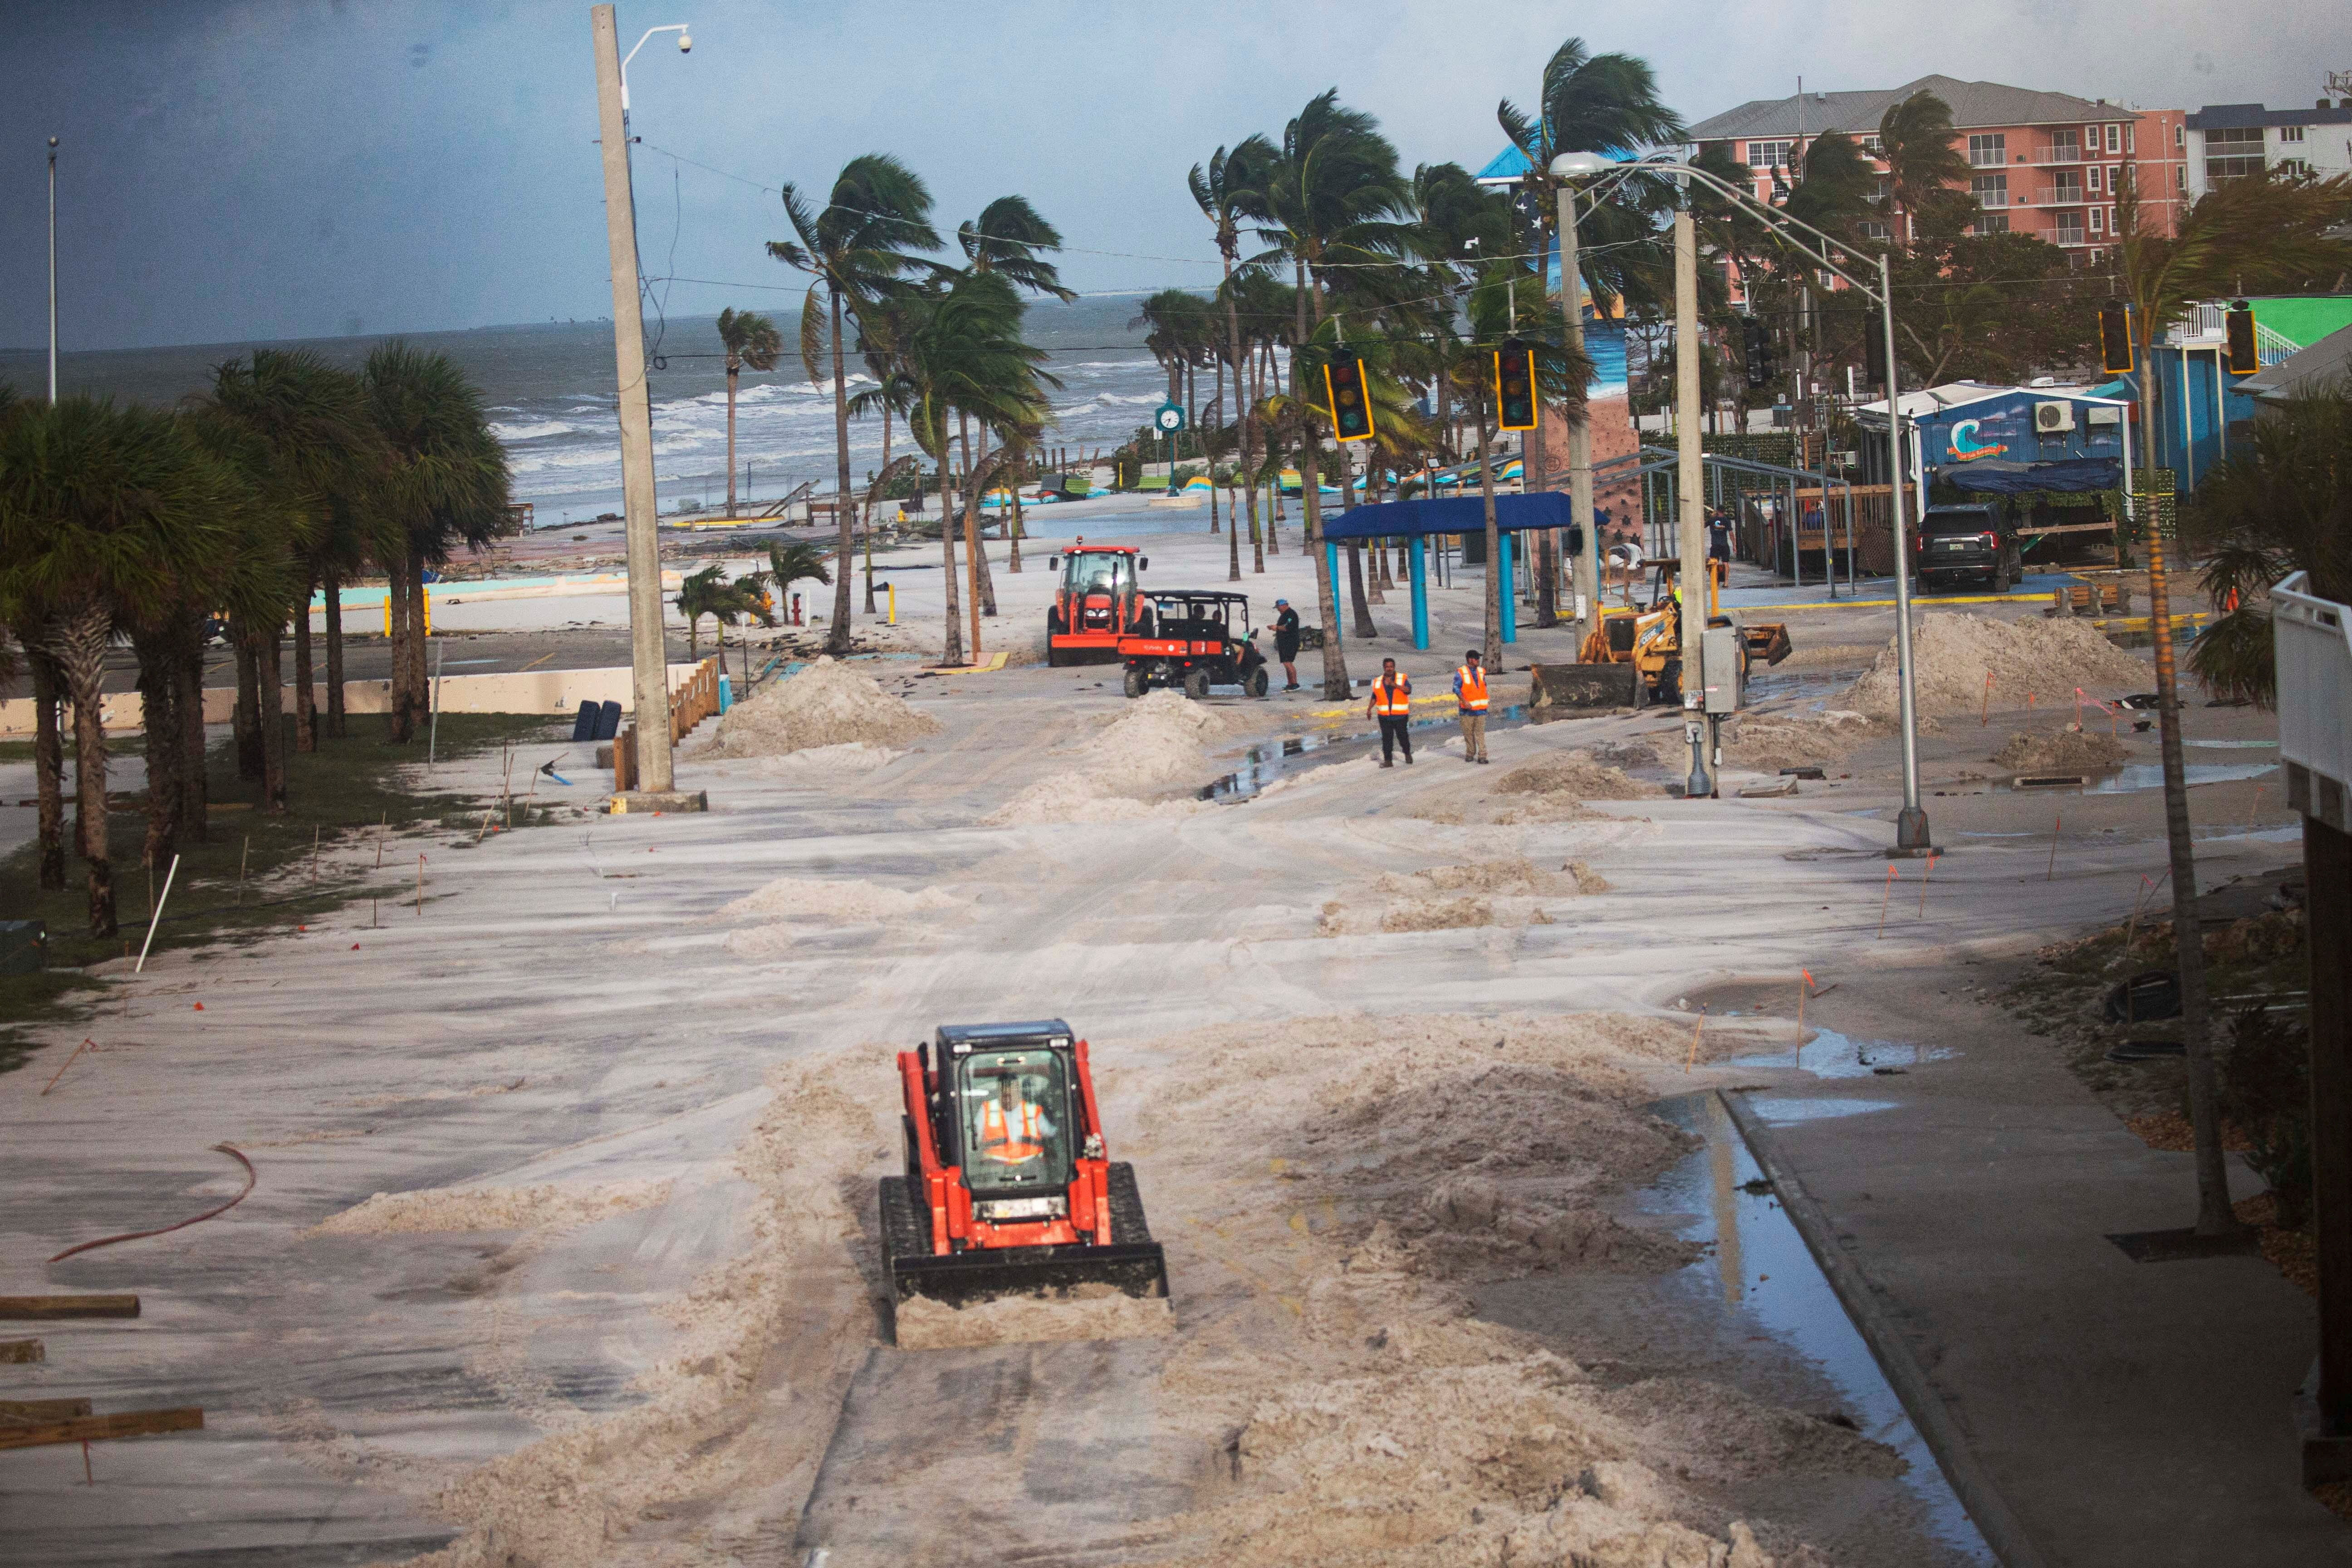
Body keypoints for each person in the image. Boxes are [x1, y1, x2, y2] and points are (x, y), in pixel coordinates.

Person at [975, 1074, 1054, 1167]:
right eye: (1005, 1094)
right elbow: (975, 1140)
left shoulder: (1032, 1110)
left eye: (1012, 1092)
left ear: (1018, 1091)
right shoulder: (986, 1109)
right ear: (999, 1092)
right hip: (996, 1168)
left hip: (1031, 1166)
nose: (1009, 1098)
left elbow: (1051, 1133)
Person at [1367, 657, 1413, 766]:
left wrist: (1395, 685)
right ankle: (1388, 761)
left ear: (1394, 667)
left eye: (1391, 667)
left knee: (1403, 737)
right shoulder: (1378, 681)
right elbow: (1375, 696)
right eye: (1387, 667)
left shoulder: (1402, 678)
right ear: (1384, 668)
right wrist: (1369, 709)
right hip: (1384, 716)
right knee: (1387, 738)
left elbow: (1409, 690)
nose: (1389, 669)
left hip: (1400, 716)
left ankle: (1407, 753)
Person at [1453, 648, 1490, 764]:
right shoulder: (1461, 672)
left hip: (1481, 710)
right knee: (1468, 734)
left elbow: (1484, 686)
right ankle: (1470, 753)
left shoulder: (1481, 672)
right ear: (1470, 660)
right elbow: (1456, 689)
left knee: (1480, 733)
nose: (1479, 661)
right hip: (1467, 710)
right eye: (1477, 659)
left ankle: (1482, 756)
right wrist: (1464, 702)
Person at [1272, 598, 1302, 690]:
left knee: (1288, 663)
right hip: (1284, 643)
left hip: (1290, 642)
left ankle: (1295, 684)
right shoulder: (1284, 614)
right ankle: (1290, 683)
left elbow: (1287, 628)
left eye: (1279, 607)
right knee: (1286, 663)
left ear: (1284, 605)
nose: (1278, 609)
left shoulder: (1291, 614)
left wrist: (1276, 627)